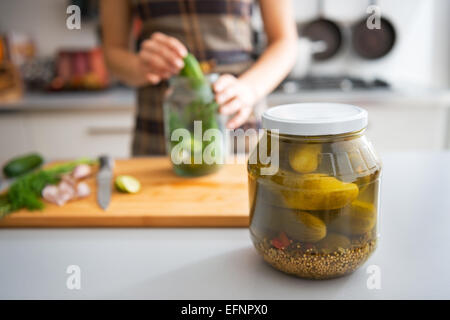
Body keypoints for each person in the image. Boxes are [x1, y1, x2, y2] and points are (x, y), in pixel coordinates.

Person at [100, 0, 297, 155]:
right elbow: (112, 52)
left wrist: (249, 89)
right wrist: (139, 67)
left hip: (237, 114)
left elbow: (285, 41)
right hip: (160, 122)